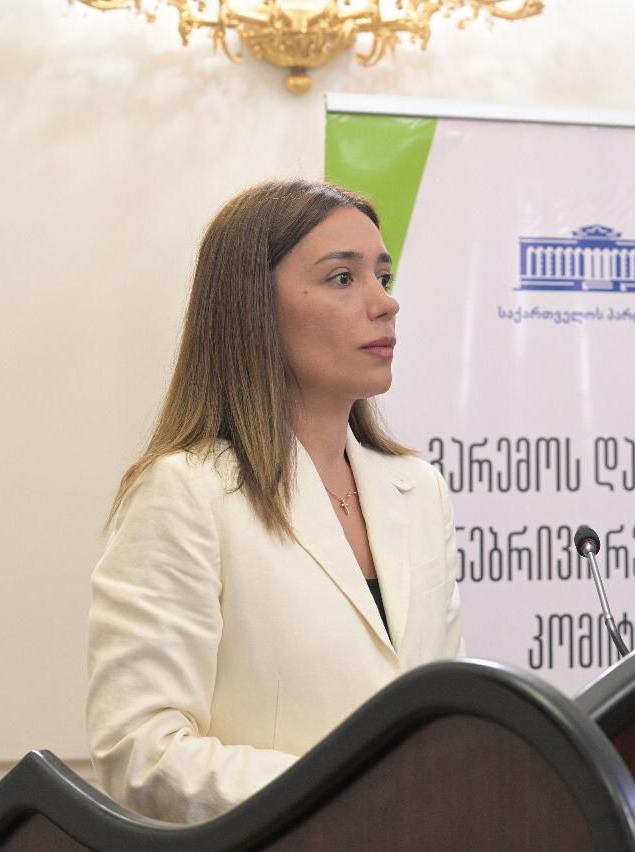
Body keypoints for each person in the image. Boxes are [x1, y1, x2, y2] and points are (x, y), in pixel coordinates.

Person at [86, 179, 465, 824]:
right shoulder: (187, 492)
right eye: (343, 278)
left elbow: (444, 715)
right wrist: (349, 794)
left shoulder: (419, 490)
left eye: (383, 276)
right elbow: (141, 752)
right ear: (253, 308)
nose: (386, 303)